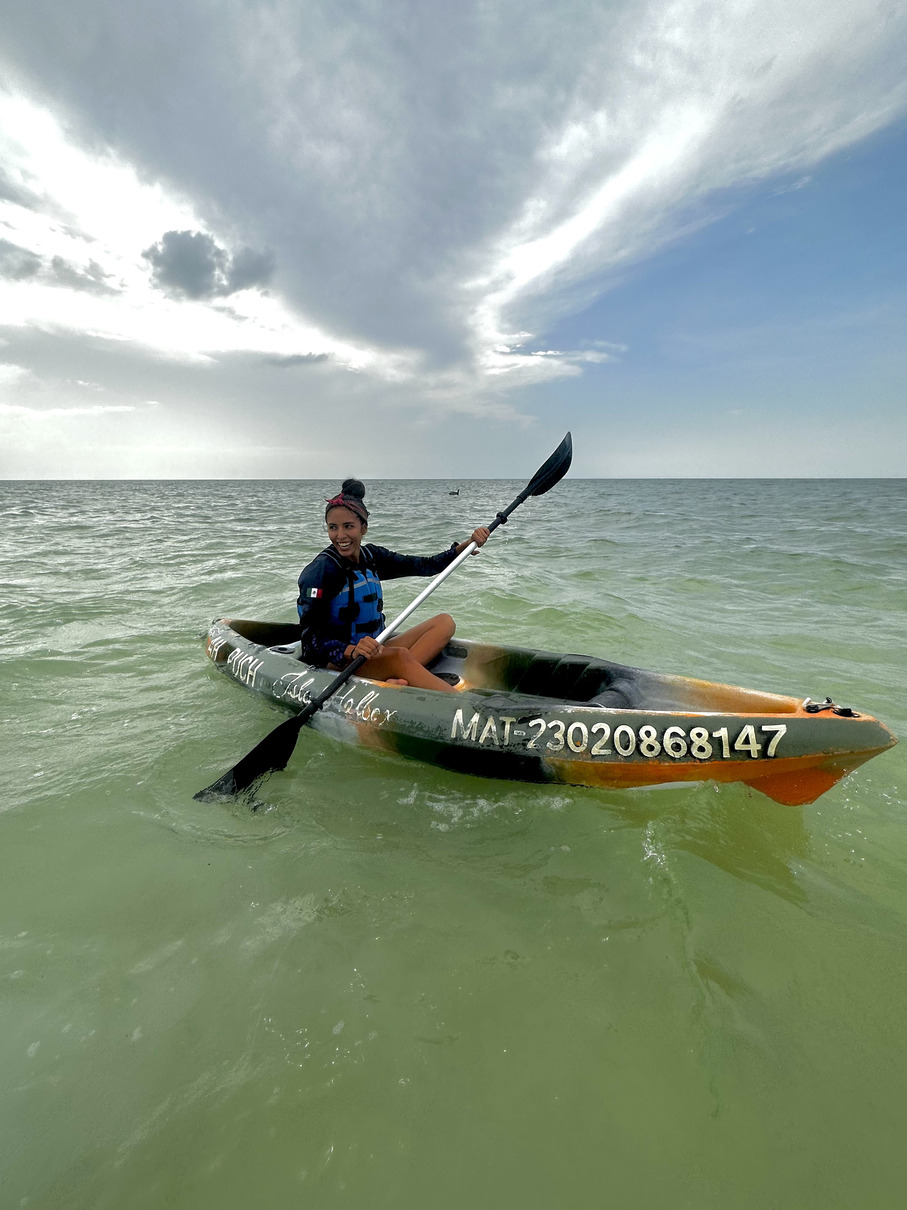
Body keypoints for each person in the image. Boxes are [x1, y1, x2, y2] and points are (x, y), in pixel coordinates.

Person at [296, 479, 490, 692]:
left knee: (445, 623)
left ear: (364, 528)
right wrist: (350, 650)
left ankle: (394, 676)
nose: (340, 535)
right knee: (399, 656)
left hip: (376, 651)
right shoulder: (321, 571)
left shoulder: (371, 557)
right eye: (333, 528)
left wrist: (459, 550)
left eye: (348, 526)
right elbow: (311, 641)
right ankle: (464, 705)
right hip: (341, 663)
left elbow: (423, 566)